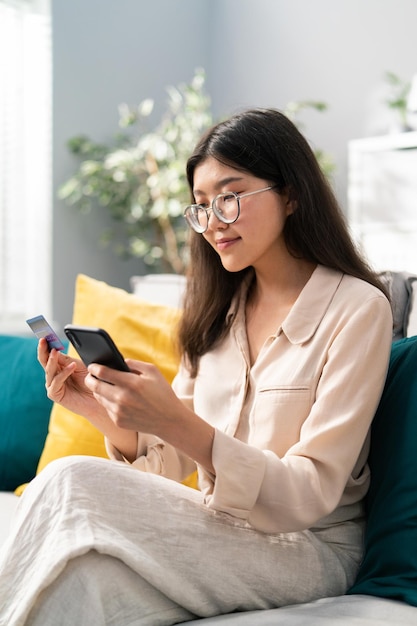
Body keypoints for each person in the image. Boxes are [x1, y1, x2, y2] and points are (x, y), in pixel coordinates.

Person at [0, 108, 393, 626]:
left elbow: (310, 492)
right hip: (217, 533)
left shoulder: (358, 309)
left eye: (228, 198)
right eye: (201, 206)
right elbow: (168, 466)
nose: (211, 222)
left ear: (292, 193)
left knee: (71, 478)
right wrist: (98, 410)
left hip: (311, 548)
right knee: (84, 586)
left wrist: (174, 421)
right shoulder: (216, 314)